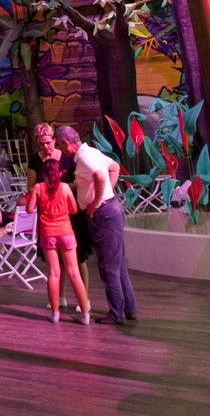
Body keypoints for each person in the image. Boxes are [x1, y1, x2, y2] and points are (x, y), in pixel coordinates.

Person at [58, 125, 137, 326]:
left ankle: (117, 313)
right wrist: (107, 192)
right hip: (111, 209)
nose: (61, 150)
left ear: (66, 143)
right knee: (118, 263)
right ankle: (129, 309)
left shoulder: (85, 158)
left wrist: (96, 202)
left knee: (108, 266)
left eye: (60, 145)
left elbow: (101, 177)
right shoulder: (92, 152)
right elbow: (114, 167)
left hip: (103, 214)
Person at [27, 148, 91, 324]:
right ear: (59, 173)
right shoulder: (64, 188)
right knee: (74, 273)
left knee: (54, 273)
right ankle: (85, 314)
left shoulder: (38, 188)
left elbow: (30, 209)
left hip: (48, 234)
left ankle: (55, 312)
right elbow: (74, 210)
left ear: (43, 174)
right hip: (66, 232)